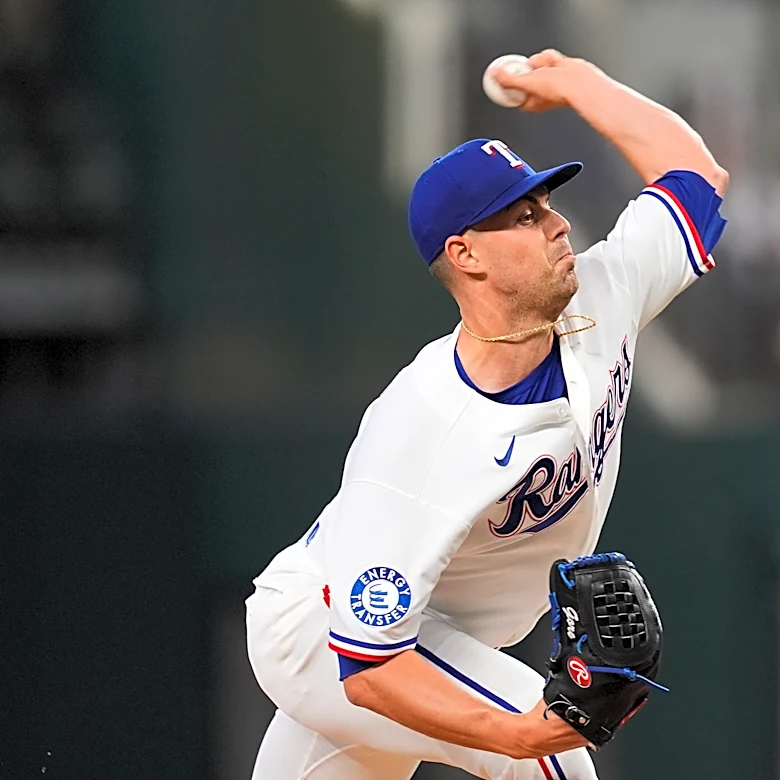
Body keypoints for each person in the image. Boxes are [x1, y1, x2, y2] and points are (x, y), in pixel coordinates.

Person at [245, 49, 729, 780]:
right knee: (552, 755)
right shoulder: (422, 432)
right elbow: (369, 669)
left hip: (432, 639)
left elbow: (695, 176)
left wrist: (577, 83)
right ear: (465, 254)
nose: (558, 224)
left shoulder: (601, 296)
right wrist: (515, 738)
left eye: (548, 204)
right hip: (328, 636)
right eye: (526, 215)